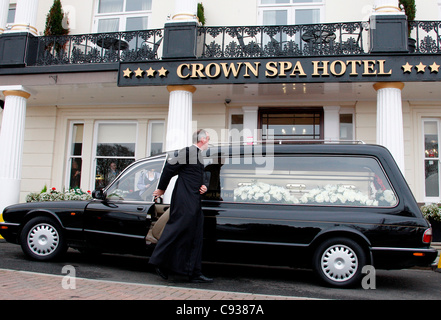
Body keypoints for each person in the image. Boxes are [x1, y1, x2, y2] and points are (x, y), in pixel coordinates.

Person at [149, 129, 212, 283]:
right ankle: (159, 262)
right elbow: (169, 168)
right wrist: (162, 188)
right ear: (202, 139)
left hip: (194, 201)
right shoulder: (188, 151)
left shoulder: (197, 155)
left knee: (195, 236)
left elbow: (197, 175)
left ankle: (193, 272)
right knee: (176, 230)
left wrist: (204, 186)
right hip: (184, 201)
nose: (209, 141)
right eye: (208, 139)